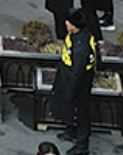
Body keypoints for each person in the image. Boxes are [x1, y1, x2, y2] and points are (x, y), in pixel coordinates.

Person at [54, 9, 98, 155]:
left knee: (81, 112)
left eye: (68, 22)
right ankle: (70, 131)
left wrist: (70, 92)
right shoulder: (79, 35)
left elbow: (77, 72)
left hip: (79, 83)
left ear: (74, 25)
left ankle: (82, 145)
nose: (66, 23)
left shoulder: (81, 46)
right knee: (70, 108)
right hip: (67, 76)